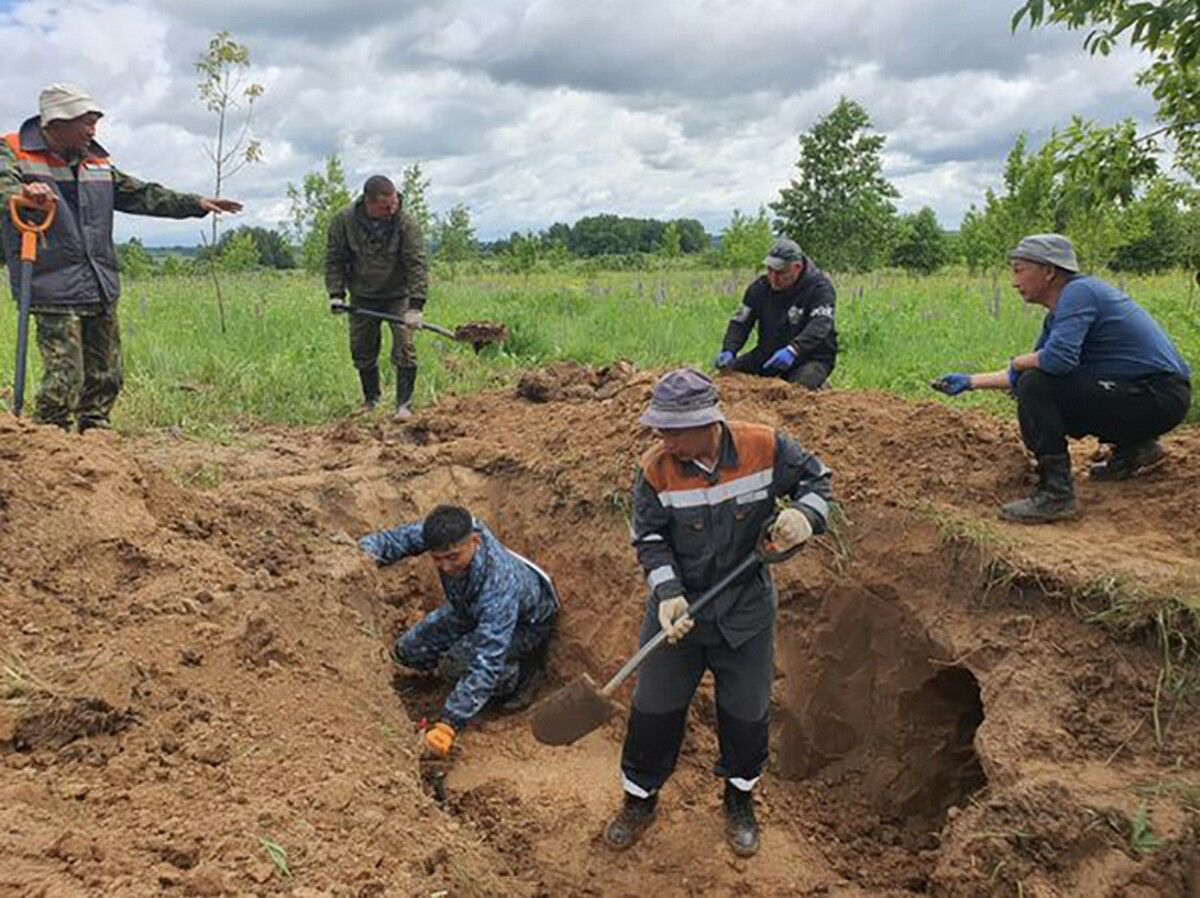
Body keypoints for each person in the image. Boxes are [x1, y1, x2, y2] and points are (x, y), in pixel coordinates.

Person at [604, 368, 833, 857]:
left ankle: (739, 801)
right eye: (659, 429)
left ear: (707, 422)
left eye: (672, 429)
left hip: (745, 612)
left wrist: (805, 516)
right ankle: (639, 800)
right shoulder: (655, 468)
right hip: (678, 616)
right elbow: (649, 538)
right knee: (653, 712)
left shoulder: (763, 447)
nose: (663, 439)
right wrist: (667, 593)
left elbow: (819, 481)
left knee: (746, 716)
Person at [0, 83, 242, 431]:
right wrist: (23, 192)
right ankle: (49, 448)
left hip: (98, 281)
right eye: (85, 121)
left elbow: (142, 194)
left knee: (106, 375)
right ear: (55, 123)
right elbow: (4, 187)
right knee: (64, 378)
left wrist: (195, 204)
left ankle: (96, 438)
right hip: (49, 282)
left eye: (94, 121)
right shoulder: (13, 153)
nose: (92, 130)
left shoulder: (96, 162)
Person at [932, 234, 1191, 524]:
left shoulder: (1080, 294)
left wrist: (1019, 362)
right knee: (1035, 381)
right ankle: (1137, 448)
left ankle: (1056, 494)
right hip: (1150, 396)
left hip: (1158, 395)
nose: (1013, 282)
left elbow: (1050, 364)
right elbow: (1034, 370)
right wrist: (969, 381)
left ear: (1049, 271)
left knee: (1035, 383)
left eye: (1019, 270)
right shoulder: (1060, 314)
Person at [359, 504, 560, 759]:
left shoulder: (498, 588)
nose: (444, 567)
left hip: (525, 625)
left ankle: (521, 677)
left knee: (457, 664)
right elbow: (394, 541)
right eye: (437, 559)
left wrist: (448, 724)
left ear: (474, 541)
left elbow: (487, 663)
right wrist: (361, 555)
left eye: (452, 557)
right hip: (467, 608)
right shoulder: (448, 532)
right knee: (409, 651)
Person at [326, 175, 428, 419]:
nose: (392, 210)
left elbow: (417, 264)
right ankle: (371, 400)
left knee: (405, 345)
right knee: (362, 349)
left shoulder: (406, 223)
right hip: (362, 295)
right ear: (369, 203)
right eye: (385, 207)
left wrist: (415, 306)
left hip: (398, 295)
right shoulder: (344, 221)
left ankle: (404, 405)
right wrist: (336, 294)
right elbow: (334, 259)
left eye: (394, 204)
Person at [714, 237, 838, 389]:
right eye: (770, 270)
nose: (773, 278)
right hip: (768, 354)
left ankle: (820, 387)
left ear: (797, 267)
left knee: (793, 391)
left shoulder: (820, 289)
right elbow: (741, 322)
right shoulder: (760, 288)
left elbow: (820, 325)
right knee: (726, 377)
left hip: (810, 358)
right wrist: (729, 349)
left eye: (780, 272)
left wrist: (794, 350)